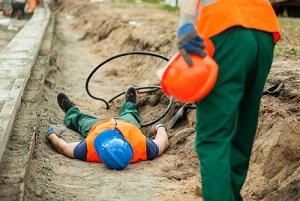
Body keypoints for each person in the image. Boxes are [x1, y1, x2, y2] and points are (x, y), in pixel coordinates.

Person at [177, 0, 280, 200]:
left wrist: (186, 23)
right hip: (264, 28)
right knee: (242, 131)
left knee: (214, 138)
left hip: (224, 27)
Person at [45, 87, 169, 170]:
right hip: (127, 124)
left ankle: (70, 111)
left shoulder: (89, 149)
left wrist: (51, 134)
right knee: (131, 113)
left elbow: (63, 147)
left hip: (97, 126)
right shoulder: (143, 146)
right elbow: (163, 141)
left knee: (81, 121)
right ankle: (130, 103)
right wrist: (159, 127)